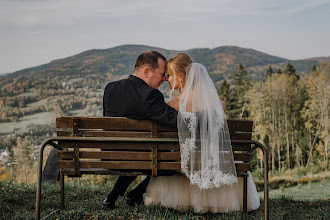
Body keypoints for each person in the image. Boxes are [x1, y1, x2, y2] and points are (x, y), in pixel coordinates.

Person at [144, 53, 260, 213]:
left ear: (181, 76)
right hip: (212, 160)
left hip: (181, 163)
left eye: (170, 75)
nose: (167, 79)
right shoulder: (215, 104)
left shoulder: (173, 105)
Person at [102, 51, 178, 209]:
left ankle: (112, 197)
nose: (164, 79)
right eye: (162, 74)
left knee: (137, 152)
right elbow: (176, 120)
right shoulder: (150, 95)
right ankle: (135, 195)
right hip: (138, 157)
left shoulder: (111, 88)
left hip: (110, 155)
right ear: (146, 71)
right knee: (171, 162)